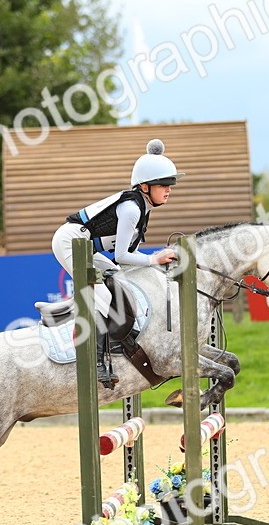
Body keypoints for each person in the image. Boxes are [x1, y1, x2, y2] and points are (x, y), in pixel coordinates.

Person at [49, 138, 183, 388]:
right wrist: (154, 259)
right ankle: (97, 363)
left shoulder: (143, 208)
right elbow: (121, 255)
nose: (169, 189)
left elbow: (127, 257)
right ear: (145, 186)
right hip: (70, 243)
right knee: (103, 294)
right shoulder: (132, 209)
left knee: (120, 279)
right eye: (163, 185)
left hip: (84, 246)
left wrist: (154, 263)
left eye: (170, 185)